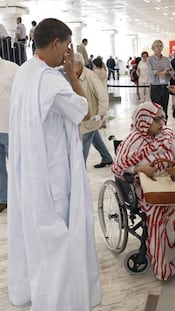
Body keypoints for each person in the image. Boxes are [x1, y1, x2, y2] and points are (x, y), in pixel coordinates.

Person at [8, 18, 100, 310]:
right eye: (67, 46)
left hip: (31, 169)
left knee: (36, 234)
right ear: (57, 43)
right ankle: (61, 299)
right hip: (53, 173)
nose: (68, 53)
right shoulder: (50, 80)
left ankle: (35, 289)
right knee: (58, 238)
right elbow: (84, 110)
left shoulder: (25, 72)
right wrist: (72, 74)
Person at [111, 102, 175, 281]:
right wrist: (141, 169)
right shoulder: (133, 140)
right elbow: (118, 167)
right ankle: (163, 265)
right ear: (144, 121)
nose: (162, 122)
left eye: (162, 117)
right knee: (160, 215)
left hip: (169, 183)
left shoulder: (166, 135)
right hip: (145, 190)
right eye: (156, 119)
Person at [74, 53, 113, 168]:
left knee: (85, 141)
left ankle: (80, 168)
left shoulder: (90, 76)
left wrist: (101, 113)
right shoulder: (75, 76)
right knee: (95, 138)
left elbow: (102, 95)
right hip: (84, 117)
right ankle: (107, 158)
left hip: (93, 116)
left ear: (79, 64)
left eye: (72, 63)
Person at [0, 57, 19, 213]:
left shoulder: (12, 68)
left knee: (17, 166)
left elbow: (22, 96)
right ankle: (3, 198)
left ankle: (21, 197)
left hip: (11, 127)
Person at [148, 40, 172, 118]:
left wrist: (170, 73)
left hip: (165, 87)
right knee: (156, 110)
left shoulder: (166, 59)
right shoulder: (150, 59)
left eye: (160, 46)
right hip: (155, 87)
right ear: (153, 48)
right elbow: (151, 72)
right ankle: (157, 128)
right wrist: (162, 72)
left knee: (165, 109)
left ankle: (164, 127)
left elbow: (171, 70)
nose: (159, 48)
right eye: (157, 46)